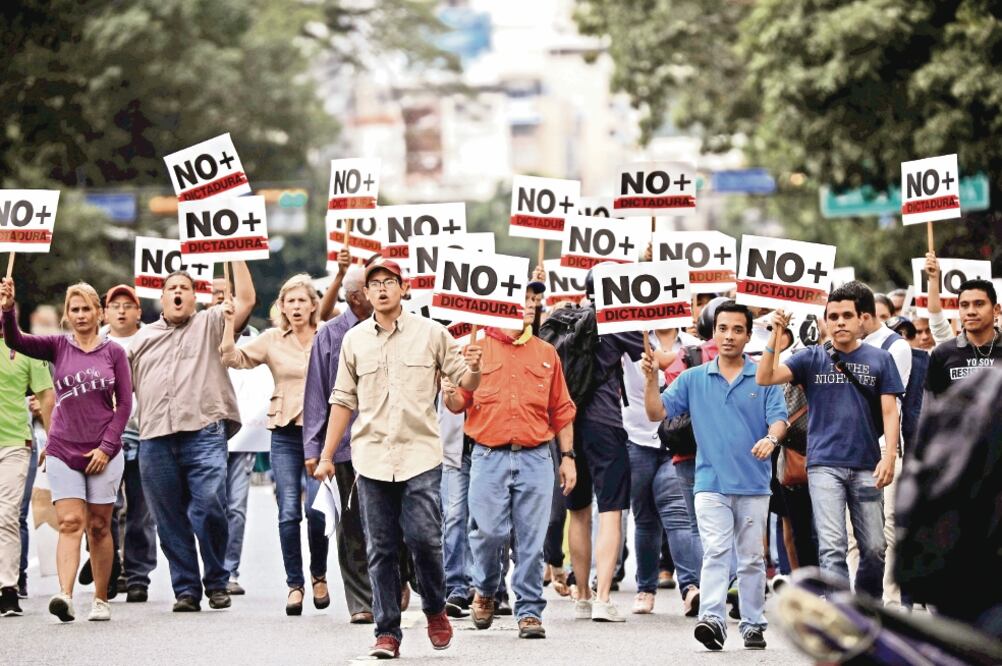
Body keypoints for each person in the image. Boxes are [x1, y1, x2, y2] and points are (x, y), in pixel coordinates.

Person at [313, 257, 482, 659]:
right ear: (366, 294)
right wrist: (324, 456)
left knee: (425, 540)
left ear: (403, 289)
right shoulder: (354, 341)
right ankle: (386, 631)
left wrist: (476, 369)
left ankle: (435, 607)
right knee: (381, 547)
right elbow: (341, 400)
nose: (383, 289)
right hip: (369, 458)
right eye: (376, 284)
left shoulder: (433, 334)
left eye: (391, 282)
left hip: (420, 455)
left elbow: (466, 383)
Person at [644, 301, 788, 651]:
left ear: (748, 335)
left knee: (752, 558)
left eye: (737, 329)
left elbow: (779, 420)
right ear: (713, 332)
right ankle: (712, 618)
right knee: (716, 550)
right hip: (709, 483)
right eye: (723, 328)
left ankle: (753, 623)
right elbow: (655, 412)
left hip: (754, 484)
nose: (729, 336)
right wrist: (650, 380)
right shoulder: (694, 378)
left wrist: (771, 439)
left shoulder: (764, 375)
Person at [442, 285, 577, 640]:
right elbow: (458, 405)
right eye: (523, 301)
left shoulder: (547, 353)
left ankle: (530, 609)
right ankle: (485, 589)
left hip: (536, 457)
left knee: (532, 540)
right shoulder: (477, 349)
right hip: (488, 456)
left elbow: (561, 410)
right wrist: (450, 389)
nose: (531, 307)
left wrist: (568, 458)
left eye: (535, 302)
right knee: (487, 532)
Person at [757, 286, 903, 600]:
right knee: (832, 547)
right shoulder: (810, 358)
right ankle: (842, 615)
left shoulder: (881, 359)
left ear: (862, 319)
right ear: (825, 322)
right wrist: (776, 336)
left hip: (867, 465)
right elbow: (765, 377)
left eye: (846, 315)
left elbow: (891, 412)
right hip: (823, 466)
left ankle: (867, 608)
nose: (839, 322)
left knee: (875, 548)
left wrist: (889, 456)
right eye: (832, 316)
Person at [1, 280, 132, 622]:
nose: (81, 315)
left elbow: (125, 405)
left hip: (103, 451)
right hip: (63, 449)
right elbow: (15, 340)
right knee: (71, 521)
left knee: (100, 526)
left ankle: (100, 598)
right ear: (66, 315)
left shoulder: (114, 353)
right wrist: (7, 309)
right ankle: (65, 595)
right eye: (74, 309)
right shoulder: (57, 347)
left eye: (87, 308)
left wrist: (107, 447)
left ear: (98, 312)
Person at [128, 262, 255, 612]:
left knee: (211, 503)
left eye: (185, 288)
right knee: (167, 517)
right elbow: (117, 387)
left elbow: (246, 299)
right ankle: (186, 589)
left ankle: (216, 579)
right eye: (172, 289)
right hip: (154, 437)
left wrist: (237, 250)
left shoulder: (213, 322)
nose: (178, 293)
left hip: (204, 431)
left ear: (195, 298)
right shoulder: (141, 339)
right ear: (162, 298)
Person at [220, 273, 329, 616]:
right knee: (287, 513)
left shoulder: (327, 336)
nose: (295, 307)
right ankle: (294, 584)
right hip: (283, 433)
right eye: (289, 301)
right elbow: (231, 358)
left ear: (313, 305)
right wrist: (227, 323)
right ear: (281, 306)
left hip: (319, 433)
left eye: (302, 301)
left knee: (316, 510)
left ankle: (319, 576)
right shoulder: (271, 339)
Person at [560, 270, 645, 623]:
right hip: (605, 424)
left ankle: (580, 595)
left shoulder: (563, 318)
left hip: (567, 425)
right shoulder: (615, 322)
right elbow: (656, 356)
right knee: (611, 510)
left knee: (577, 511)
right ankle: (603, 598)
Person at [303, 265, 376, 624]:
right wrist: (314, 450)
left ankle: (395, 581)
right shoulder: (330, 336)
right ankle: (361, 600)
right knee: (352, 527)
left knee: (390, 523)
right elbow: (317, 393)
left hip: (386, 443)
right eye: (371, 287)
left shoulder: (392, 329)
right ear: (354, 296)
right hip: (346, 444)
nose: (379, 292)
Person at [623, 329, 702, 616]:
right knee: (644, 518)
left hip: (676, 440)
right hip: (637, 438)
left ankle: (691, 588)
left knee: (676, 513)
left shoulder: (693, 346)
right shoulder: (629, 339)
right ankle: (645, 588)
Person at [103, 285, 157, 603]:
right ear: (105, 312)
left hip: (144, 432)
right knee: (105, 509)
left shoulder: (151, 338)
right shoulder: (92, 342)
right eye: (115, 305)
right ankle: (108, 570)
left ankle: (137, 576)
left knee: (140, 512)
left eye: (128, 305)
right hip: (102, 437)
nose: (121, 311)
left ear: (139, 311)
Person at [0, 304, 54, 617]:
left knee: (7, 515)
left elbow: (47, 396)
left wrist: (53, 438)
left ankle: (8, 587)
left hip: (14, 444)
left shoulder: (27, 349)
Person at [211, 276, 256, 597]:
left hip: (243, 437)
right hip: (206, 436)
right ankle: (208, 568)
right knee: (206, 505)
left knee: (236, 507)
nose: (222, 300)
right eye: (215, 295)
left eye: (228, 295)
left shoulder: (252, 341)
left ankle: (228, 569)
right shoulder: (194, 334)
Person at [925, 279, 1002, 401]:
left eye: (979, 304)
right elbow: (932, 405)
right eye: (964, 305)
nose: (971, 312)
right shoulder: (942, 354)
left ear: (996, 310)